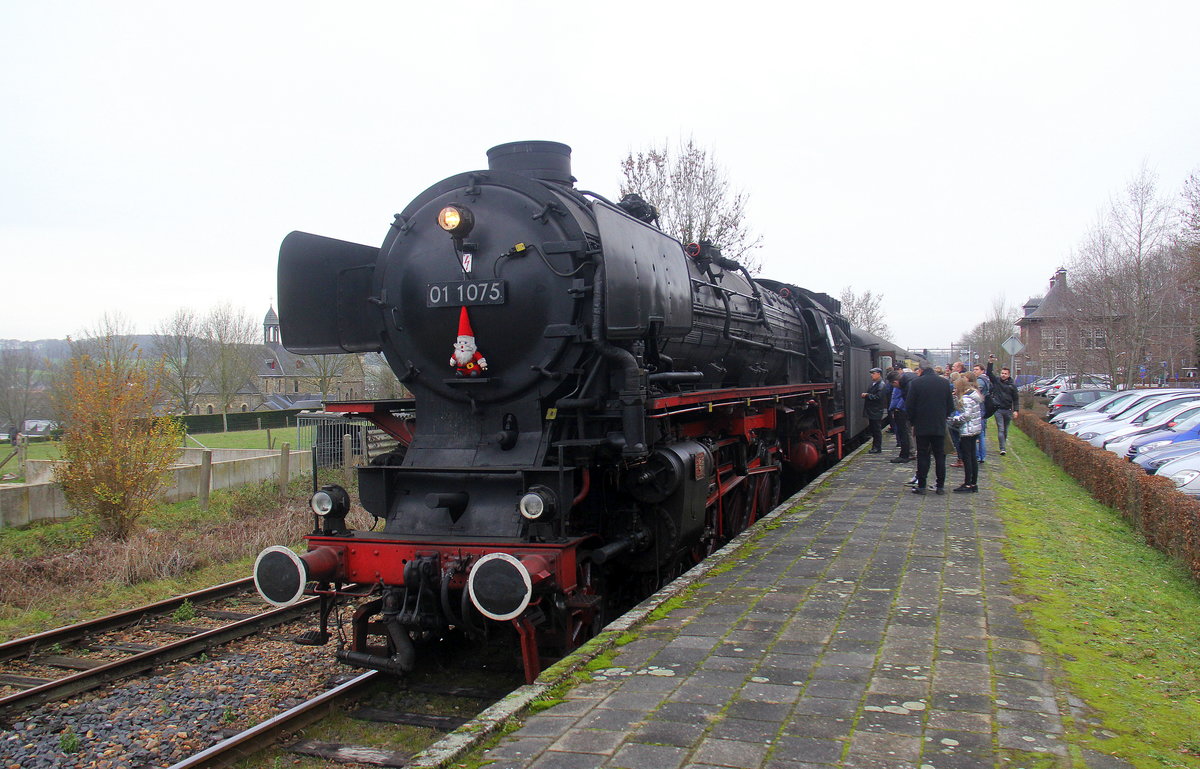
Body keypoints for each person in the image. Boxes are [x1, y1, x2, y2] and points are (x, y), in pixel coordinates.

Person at [905, 362, 955, 494]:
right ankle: (940, 486)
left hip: (922, 425)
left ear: (921, 370)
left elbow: (909, 406)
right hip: (939, 425)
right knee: (940, 456)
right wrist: (942, 417)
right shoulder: (944, 383)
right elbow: (951, 406)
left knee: (923, 455)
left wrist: (913, 421)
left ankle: (921, 486)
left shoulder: (916, 383)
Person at [954, 373, 984, 493]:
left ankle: (967, 483)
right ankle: (973, 483)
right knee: (972, 457)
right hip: (975, 429)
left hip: (967, 430)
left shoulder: (966, 398)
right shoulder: (974, 395)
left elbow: (966, 415)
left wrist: (955, 419)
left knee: (967, 457)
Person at [986, 356, 1021, 455]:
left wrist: (1016, 410)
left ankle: (1003, 444)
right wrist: (990, 362)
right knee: (1000, 428)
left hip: (1008, 410)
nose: (1003, 375)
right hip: (998, 409)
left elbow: (1016, 398)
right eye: (1002, 373)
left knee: (1005, 430)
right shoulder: (996, 381)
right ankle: (1002, 448)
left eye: (1005, 374)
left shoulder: (1012, 386)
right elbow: (989, 373)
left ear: (1009, 375)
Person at [887, 370, 912, 462]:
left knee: (903, 433)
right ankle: (905, 454)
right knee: (903, 433)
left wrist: (897, 408)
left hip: (901, 411)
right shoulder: (907, 381)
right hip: (901, 410)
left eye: (893, 385)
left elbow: (903, 397)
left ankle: (904, 455)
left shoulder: (906, 385)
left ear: (895, 382)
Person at [861, 367, 886, 453]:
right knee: (874, 429)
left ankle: (877, 447)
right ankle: (875, 447)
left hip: (876, 411)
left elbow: (878, 397)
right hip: (873, 410)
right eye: (871, 373)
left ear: (878, 374)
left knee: (876, 430)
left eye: (873, 373)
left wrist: (867, 395)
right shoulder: (875, 384)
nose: (871, 375)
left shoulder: (881, 385)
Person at [972, 362, 991, 464]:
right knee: (981, 433)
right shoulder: (986, 379)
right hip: (983, 408)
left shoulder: (980, 380)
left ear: (982, 371)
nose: (975, 371)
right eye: (974, 369)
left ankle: (979, 455)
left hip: (980, 408)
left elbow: (977, 392)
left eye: (977, 369)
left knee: (979, 434)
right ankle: (981, 455)